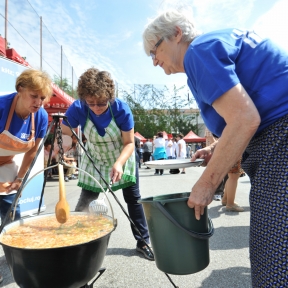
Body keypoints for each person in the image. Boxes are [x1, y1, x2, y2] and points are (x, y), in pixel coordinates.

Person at [142, 9, 288, 286]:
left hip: (281, 141)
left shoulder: (198, 51)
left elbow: (245, 119)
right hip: (277, 137)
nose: (154, 61)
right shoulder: (210, 47)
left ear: (176, 34)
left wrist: (208, 183)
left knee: (274, 254)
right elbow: (246, 112)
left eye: (154, 50)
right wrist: (218, 147)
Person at [61, 68, 153, 261]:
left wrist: (118, 163)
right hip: (95, 156)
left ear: (110, 97)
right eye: (91, 103)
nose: (96, 108)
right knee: (86, 201)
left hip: (122, 156)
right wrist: (64, 145)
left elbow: (129, 143)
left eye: (102, 103)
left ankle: (143, 241)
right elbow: (65, 133)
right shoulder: (78, 108)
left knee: (133, 200)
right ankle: (77, 241)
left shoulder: (121, 109)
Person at [0, 69, 52, 283]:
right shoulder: (2, 107)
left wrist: (19, 179)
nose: (38, 102)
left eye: (42, 97)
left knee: (13, 214)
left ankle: (20, 261)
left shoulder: (40, 117)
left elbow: (32, 151)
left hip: (6, 163)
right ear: (20, 89)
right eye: (34, 95)